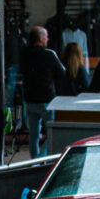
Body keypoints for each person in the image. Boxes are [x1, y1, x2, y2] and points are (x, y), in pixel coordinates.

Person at [17, 26, 65, 157]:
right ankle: (41, 158)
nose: (48, 39)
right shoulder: (49, 54)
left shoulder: (25, 54)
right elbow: (61, 73)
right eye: (46, 36)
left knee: (33, 135)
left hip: (30, 99)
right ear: (40, 38)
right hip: (46, 100)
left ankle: (34, 160)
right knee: (52, 133)